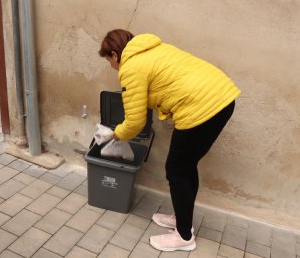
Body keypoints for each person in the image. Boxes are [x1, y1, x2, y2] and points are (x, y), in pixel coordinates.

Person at [99, 29, 241, 252]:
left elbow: (135, 122)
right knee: (185, 166)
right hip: (221, 97)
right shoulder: (154, 49)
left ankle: (184, 237)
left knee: (176, 170)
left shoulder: (130, 67)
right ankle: (181, 218)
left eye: (109, 60)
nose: (111, 66)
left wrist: (117, 133)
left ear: (115, 55)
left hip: (202, 107)